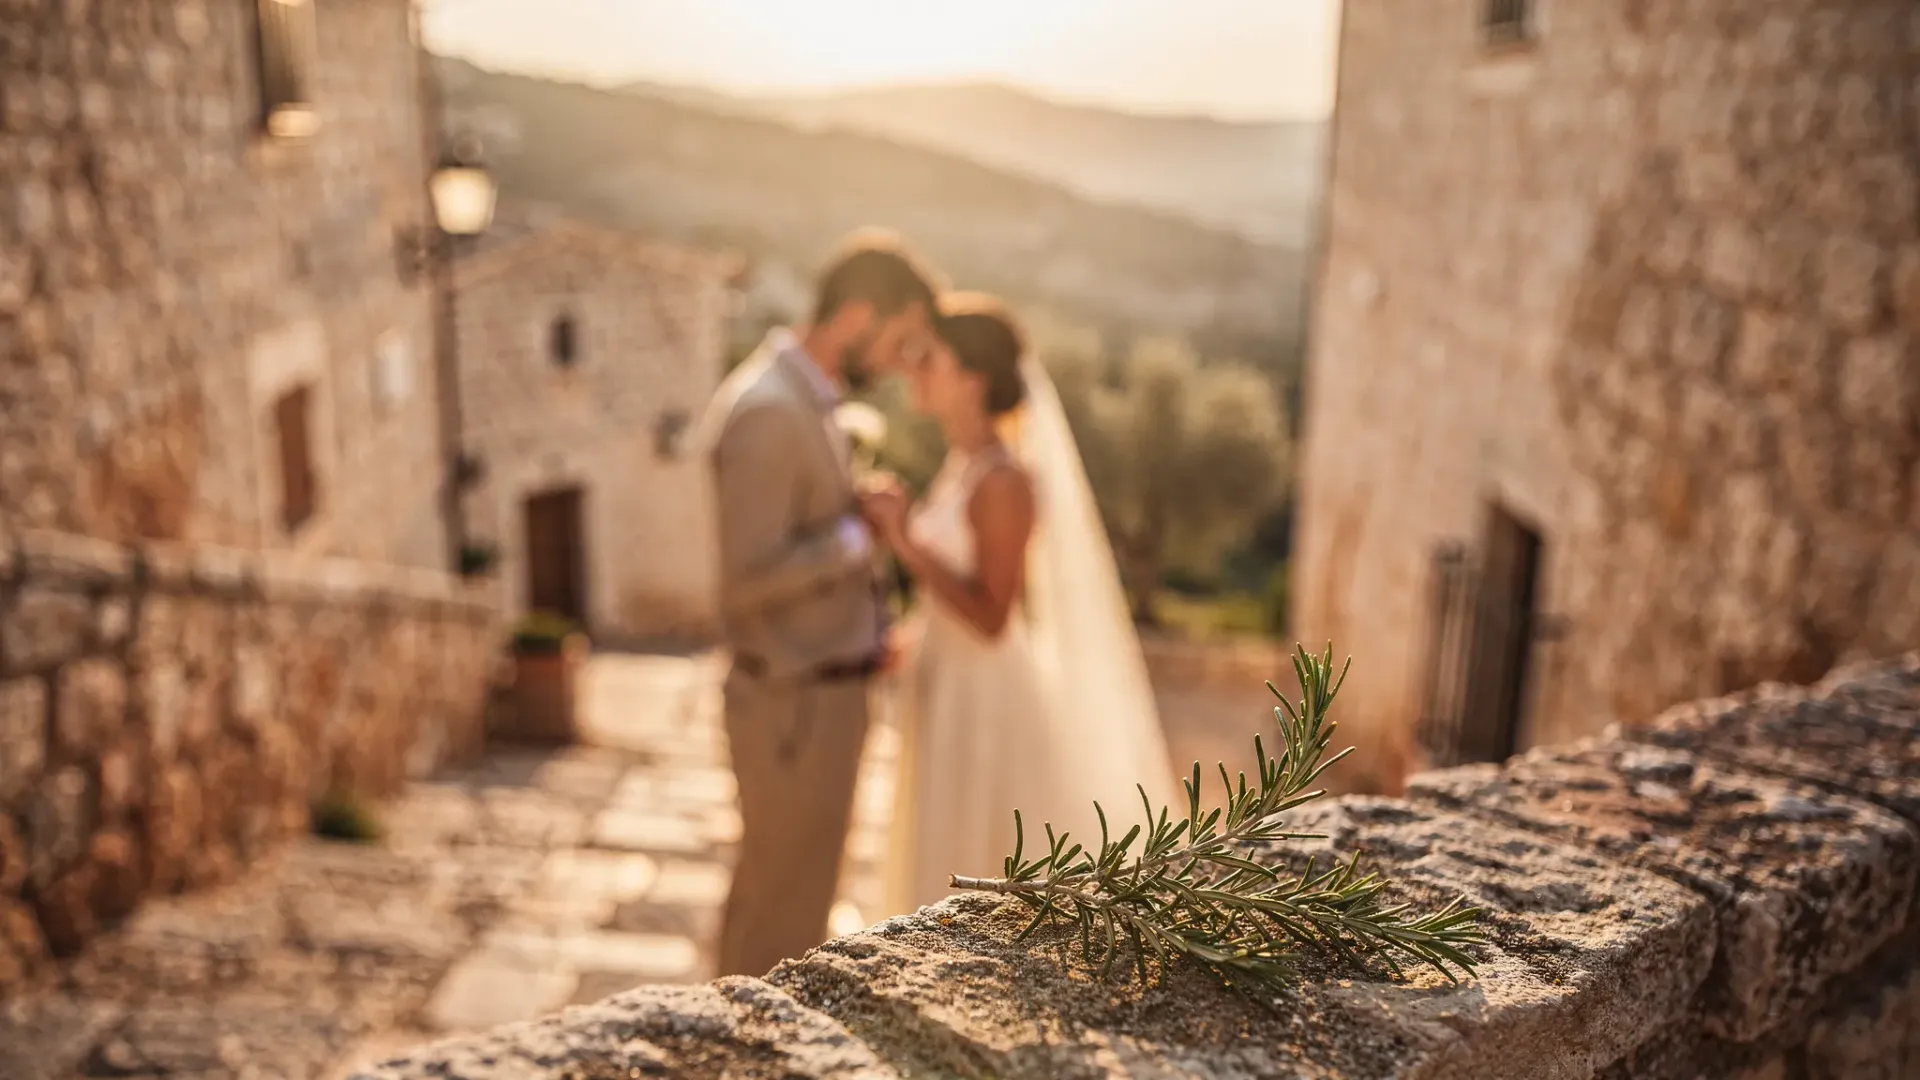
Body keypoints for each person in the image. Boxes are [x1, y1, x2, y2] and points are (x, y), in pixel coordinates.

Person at [859, 293, 1181, 916]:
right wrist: (908, 637)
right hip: (945, 682)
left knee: (973, 862)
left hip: (984, 697)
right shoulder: (965, 464)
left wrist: (903, 541)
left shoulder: (1005, 480)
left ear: (973, 379)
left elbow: (991, 615)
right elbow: (952, 590)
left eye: (932, 360)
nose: (916, 373)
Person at [697, 229, 939, 977]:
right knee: (778, 917)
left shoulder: (803, 395)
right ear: (857, 316)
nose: (900, 368)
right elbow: (747, 577)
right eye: (897, 344)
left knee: (796, 905)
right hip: (794, 708)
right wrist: (858, 536)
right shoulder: (770, 409)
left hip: (817, 698)